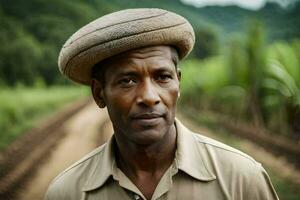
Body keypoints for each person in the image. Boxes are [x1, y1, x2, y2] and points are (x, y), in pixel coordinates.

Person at [45, 8, 279, 200]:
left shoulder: (241, 180)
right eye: (127, 80)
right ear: (99, 94)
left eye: (162, 77)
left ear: (178, 83)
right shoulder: (67, 192)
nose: (149, 96)